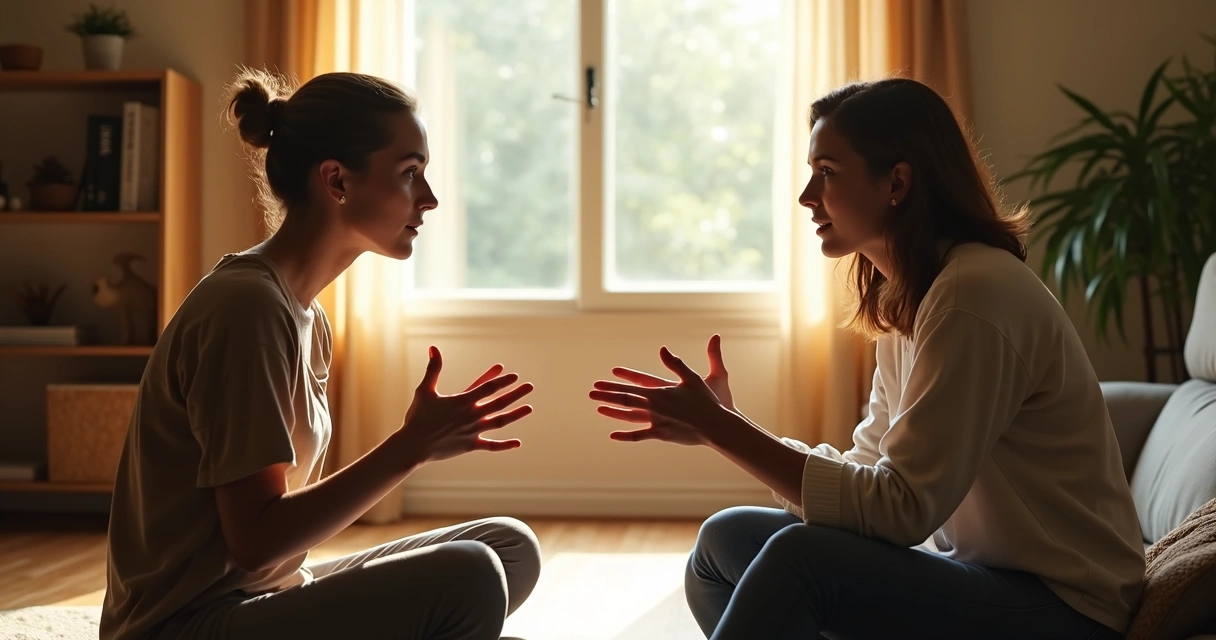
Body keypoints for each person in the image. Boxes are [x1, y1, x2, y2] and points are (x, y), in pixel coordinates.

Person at [590, 78, 1145, 640]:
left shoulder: (972, 295)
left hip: (1066, 607)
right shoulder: (912, 294)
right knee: (722, 543)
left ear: (897, 182)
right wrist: (726, 427)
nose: (808, 196)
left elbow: (900, 509)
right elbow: (870, 468)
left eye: (827, 172)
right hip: (980, 576)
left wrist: (723, 431)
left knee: (798, 558)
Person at [101, 69, 540, 640]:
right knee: (472, 575)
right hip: (184, 624)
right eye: (410, 174)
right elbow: (257, 544)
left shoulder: (306, 316)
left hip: (261, 594)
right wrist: (411, 447)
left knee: (506, 547)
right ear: (336, 181)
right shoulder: (247, 310)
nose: (429, 199)